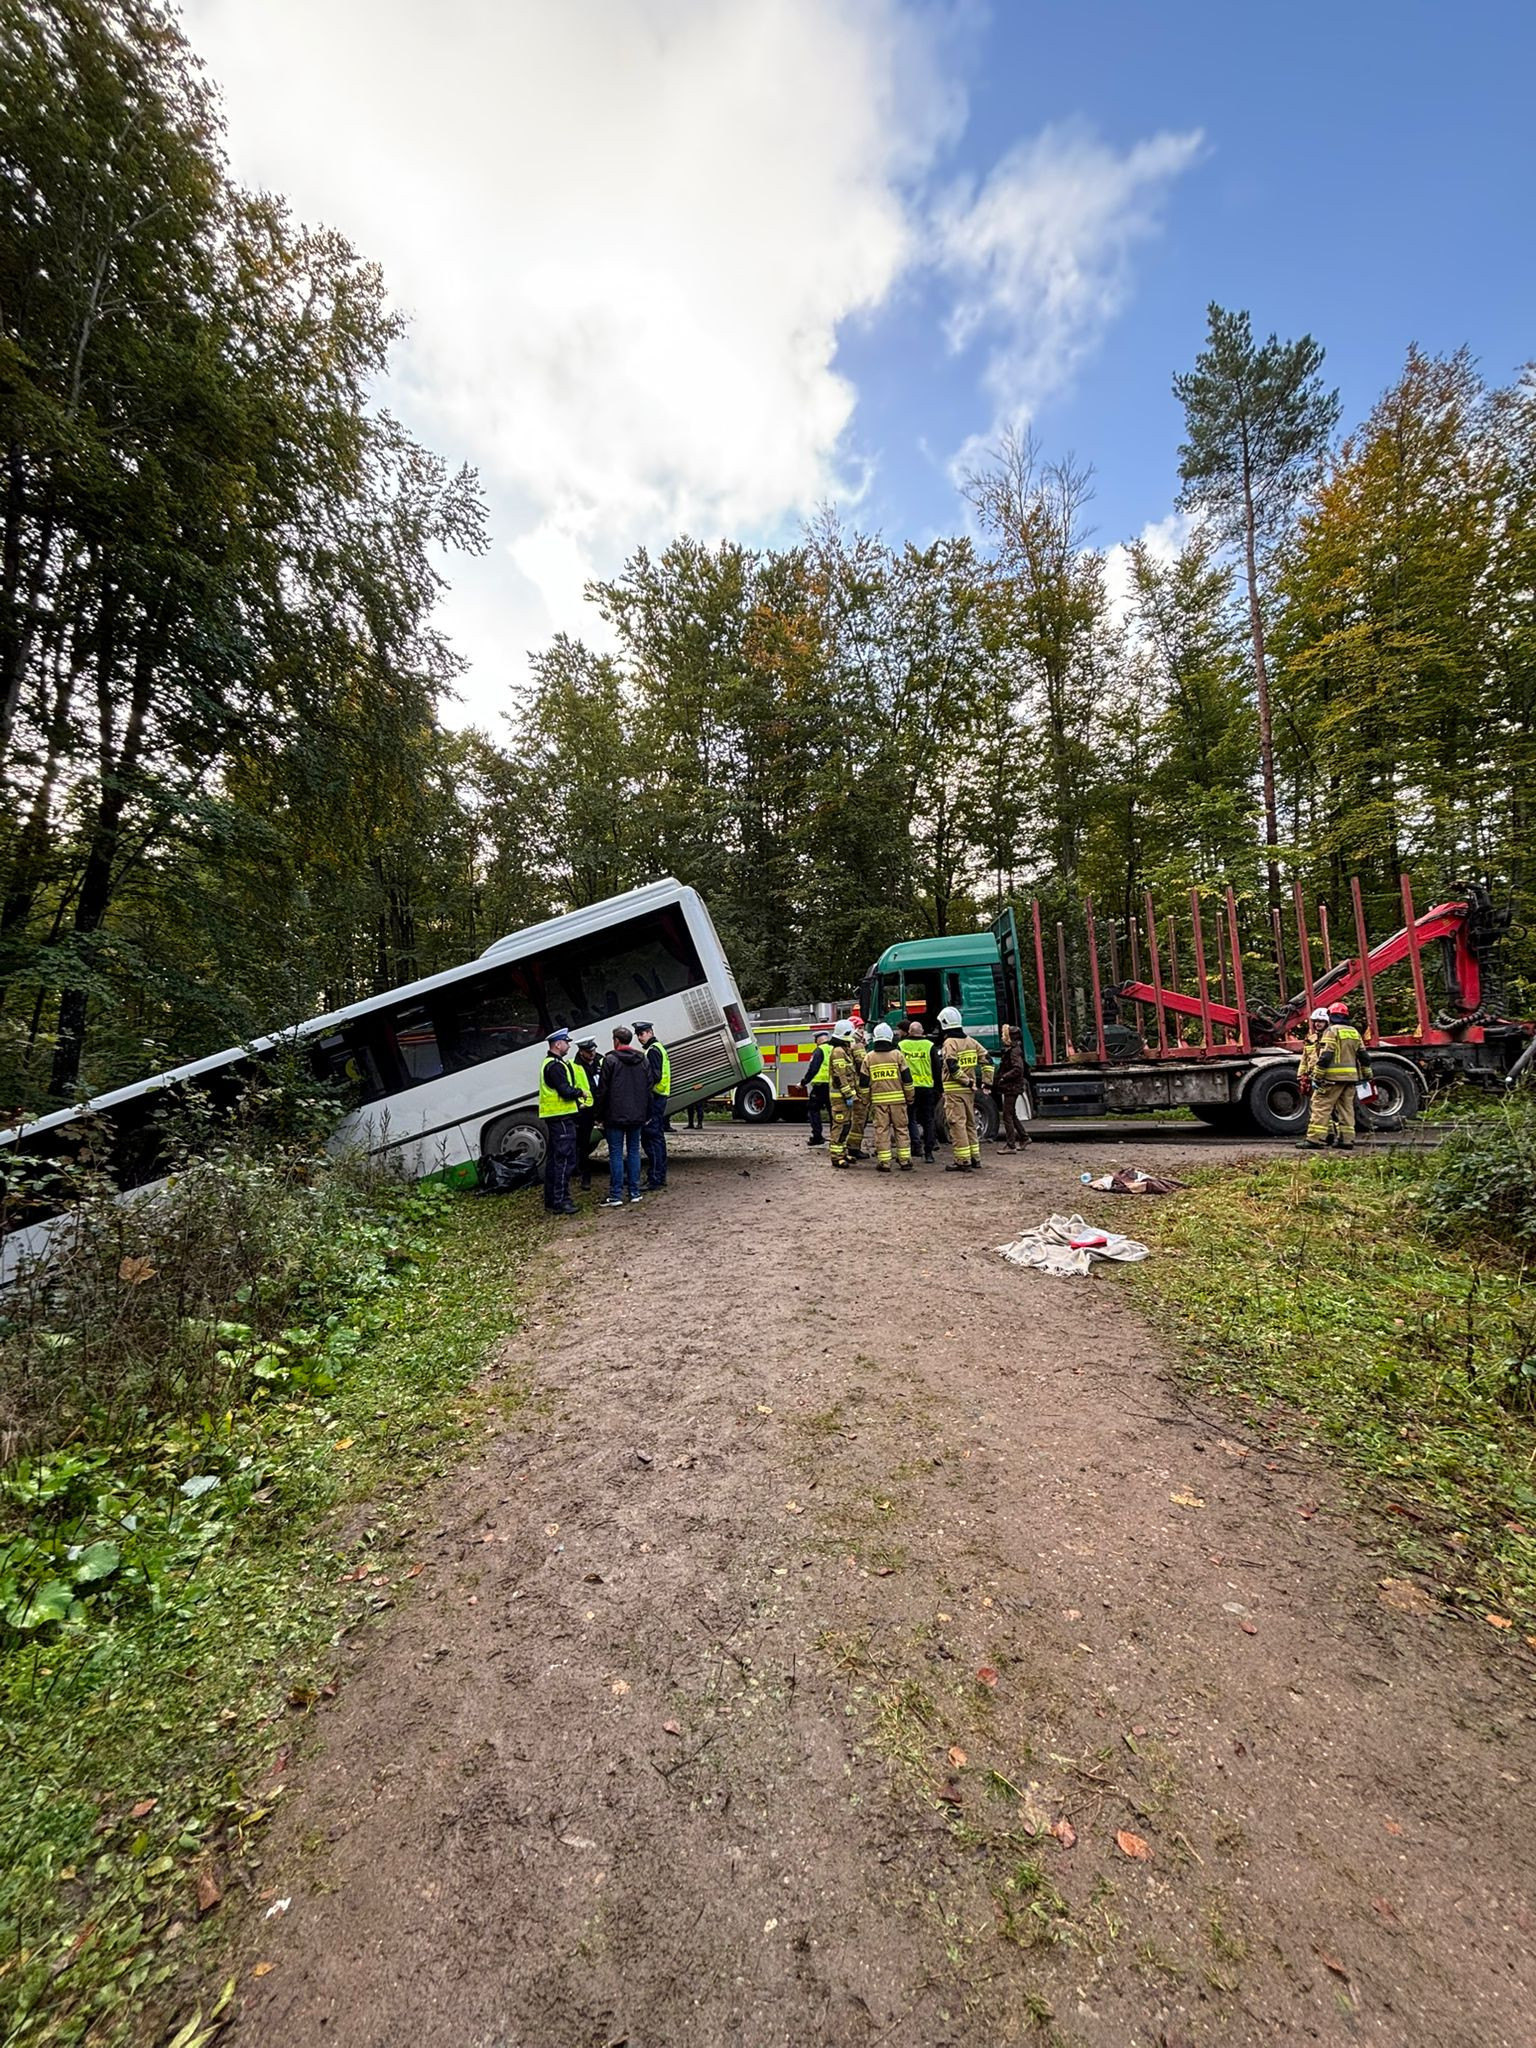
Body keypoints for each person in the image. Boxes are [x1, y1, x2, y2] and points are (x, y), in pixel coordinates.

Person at [1299, 999, 1372, 1151]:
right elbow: (1364, 1056)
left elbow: (1326, 1056)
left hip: (1331, 1079)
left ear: (1330, 1016)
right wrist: (1367, 1075)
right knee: (1346, 1109)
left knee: (1320, 1106)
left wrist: (1317, 1076)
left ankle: (1315, 1139)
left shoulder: (1331, 1031)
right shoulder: (1354, 1032)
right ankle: (1346, 1140)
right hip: (1351, 1079)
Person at [595, 1025, 651, 1206]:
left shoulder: (609, 1060)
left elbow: (602, 1090)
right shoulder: (642, 1059)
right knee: (634, 1151)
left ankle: (616, 1195)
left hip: (614, 1115)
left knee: (616, 1154)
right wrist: (647, 1112)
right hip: (637, 1114)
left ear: (616, 1041)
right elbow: (648, 1086)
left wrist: (599, 1114)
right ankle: (634, 1192)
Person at [937, 1004, 991, 1171]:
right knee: (969, 1123)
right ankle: (975, 1158)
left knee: (957, 1124)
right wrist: (987, 1081)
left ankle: (962, 1161)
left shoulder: (949, 1043)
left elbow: (952, 1065)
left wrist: (964, 1080)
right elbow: (988, 1060)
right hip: (969, 1092)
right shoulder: (971, 1041)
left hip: (955, 1090)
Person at [539, 1026, 584, 1215]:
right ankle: (561, 1201)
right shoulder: (555, 1066)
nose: (568, 1046)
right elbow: (565, 1091)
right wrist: (580, 1092)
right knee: (565, 1161)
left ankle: (551, 1200)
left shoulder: (548, 1063)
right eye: (566, 1043)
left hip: (555, 1118)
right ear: (558, 1044)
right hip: (562, 1119)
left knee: (555, 1161)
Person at [865, 1022, 914, 1172]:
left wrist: (866, 1100)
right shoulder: (897, 1055)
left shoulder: (869, 1058)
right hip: (898, 1101)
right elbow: (907, 1079)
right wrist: (910, 1097)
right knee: (901, 1129)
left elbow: (863, 1083)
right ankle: (905, 1160)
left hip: (879, 1103)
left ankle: (884, 1162)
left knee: (882, 1131)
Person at [635, 1020, 670, 1190]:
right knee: (657, 1137)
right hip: (659, 1096)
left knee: (651, 1138)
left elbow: (655, 1076)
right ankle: (659, 1175)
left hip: (655, 1098)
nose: (639, 1038)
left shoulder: (653, 1051)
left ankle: (655, 1177)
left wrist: (642, 1086)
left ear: (649, 1032)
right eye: (637, 1035)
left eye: (641, 1034)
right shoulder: (656, 1048)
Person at [826, 1019, 861, 1169]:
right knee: (839, 1127)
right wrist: (848, 1095)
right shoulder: (838, 1053)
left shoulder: (843, 1051)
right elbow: (841, 1077)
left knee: (846, 1126)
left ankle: (842, 1152)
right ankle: (836, 1157)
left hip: (843, 1097)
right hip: (840, 1098)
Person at [903, 1019, 938, 1163]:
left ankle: (915, 1146)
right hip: (927, 1088)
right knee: (928, 1120)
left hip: (909, 1088)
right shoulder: (929, 1046)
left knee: (910, 1119)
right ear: (922, 1032)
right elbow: (936, 1067)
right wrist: (938, 1088)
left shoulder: (901, 1045)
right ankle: (929, 1152)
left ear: (909, 1032)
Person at [992, 1024, 1031, 1151]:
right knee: (1012, 1114)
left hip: (1011, 1087)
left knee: (1007, 1116)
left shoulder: (1014, 1051)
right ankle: (1024, 1138)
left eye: (1004, 1035)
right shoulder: (1013, 1050)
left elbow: (1018, 1069)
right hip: (1012, 1086)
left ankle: (1010, 1145)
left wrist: (1004, 1077)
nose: (1002, 1037)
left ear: (1010, 1037)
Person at [574, 1038, 602, 1189]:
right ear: (581, 1052)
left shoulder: (601, 1060)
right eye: (588, 1052)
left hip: (602, 1108)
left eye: (593, 1050)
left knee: (613, 1140)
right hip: (585, 1111)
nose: (592, 1054)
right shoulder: (574, 1066)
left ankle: (620, 1174)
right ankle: (585, 1177)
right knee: (583, 1145)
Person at [845, 1022, 872, 1163]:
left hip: (849, 1087)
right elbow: (863, 1065)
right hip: (859, 1088)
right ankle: (854, 1148)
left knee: (850, 1118)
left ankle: (849, 1146)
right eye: (861, 1028)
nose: (863, 1031)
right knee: (859, 1119)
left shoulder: (845, 1044)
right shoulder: (858, 1045)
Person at [803, 1031, 832, 1147]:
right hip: (832, 1086)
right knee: (833, 1112)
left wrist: (803, 1082)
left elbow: (813, 1069)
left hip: (820, 1086)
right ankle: (836, 1137)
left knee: (813, 1109)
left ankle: (817, 1136)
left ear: (819, 1040)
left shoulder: (819, 1050)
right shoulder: (834, 1049)